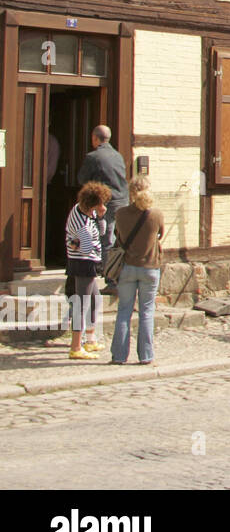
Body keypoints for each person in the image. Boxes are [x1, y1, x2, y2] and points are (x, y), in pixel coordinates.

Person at [110, 176, 166, 365]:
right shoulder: (156, 214)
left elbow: (118, 237)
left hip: (127, 267)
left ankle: (119, 356)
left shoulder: (120, 213)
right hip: (150, 268)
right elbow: (160, 234)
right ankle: (146, 355)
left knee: (124, 311)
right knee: (147, 311)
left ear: (131, 193)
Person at [66, 181, 111, 360]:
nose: (103, 206)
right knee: (81, 304)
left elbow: (101, 232)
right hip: (83, 263)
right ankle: (76, 346)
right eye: (101, 203)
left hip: (89, 261)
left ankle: (90, 340)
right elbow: (85, 248)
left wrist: (100, 217)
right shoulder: (81, 222)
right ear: (93, 202)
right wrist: (77, 243)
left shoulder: (86, 211)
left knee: (94, 300)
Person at [77, 125, 128, 261]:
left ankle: (108, 274)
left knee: (106, 239)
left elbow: (82, 179)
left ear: (95, 138)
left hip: (106, 204)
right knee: (118, 239)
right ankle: (117, 270)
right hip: (123, 201)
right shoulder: (118, 156)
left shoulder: (93, 157)